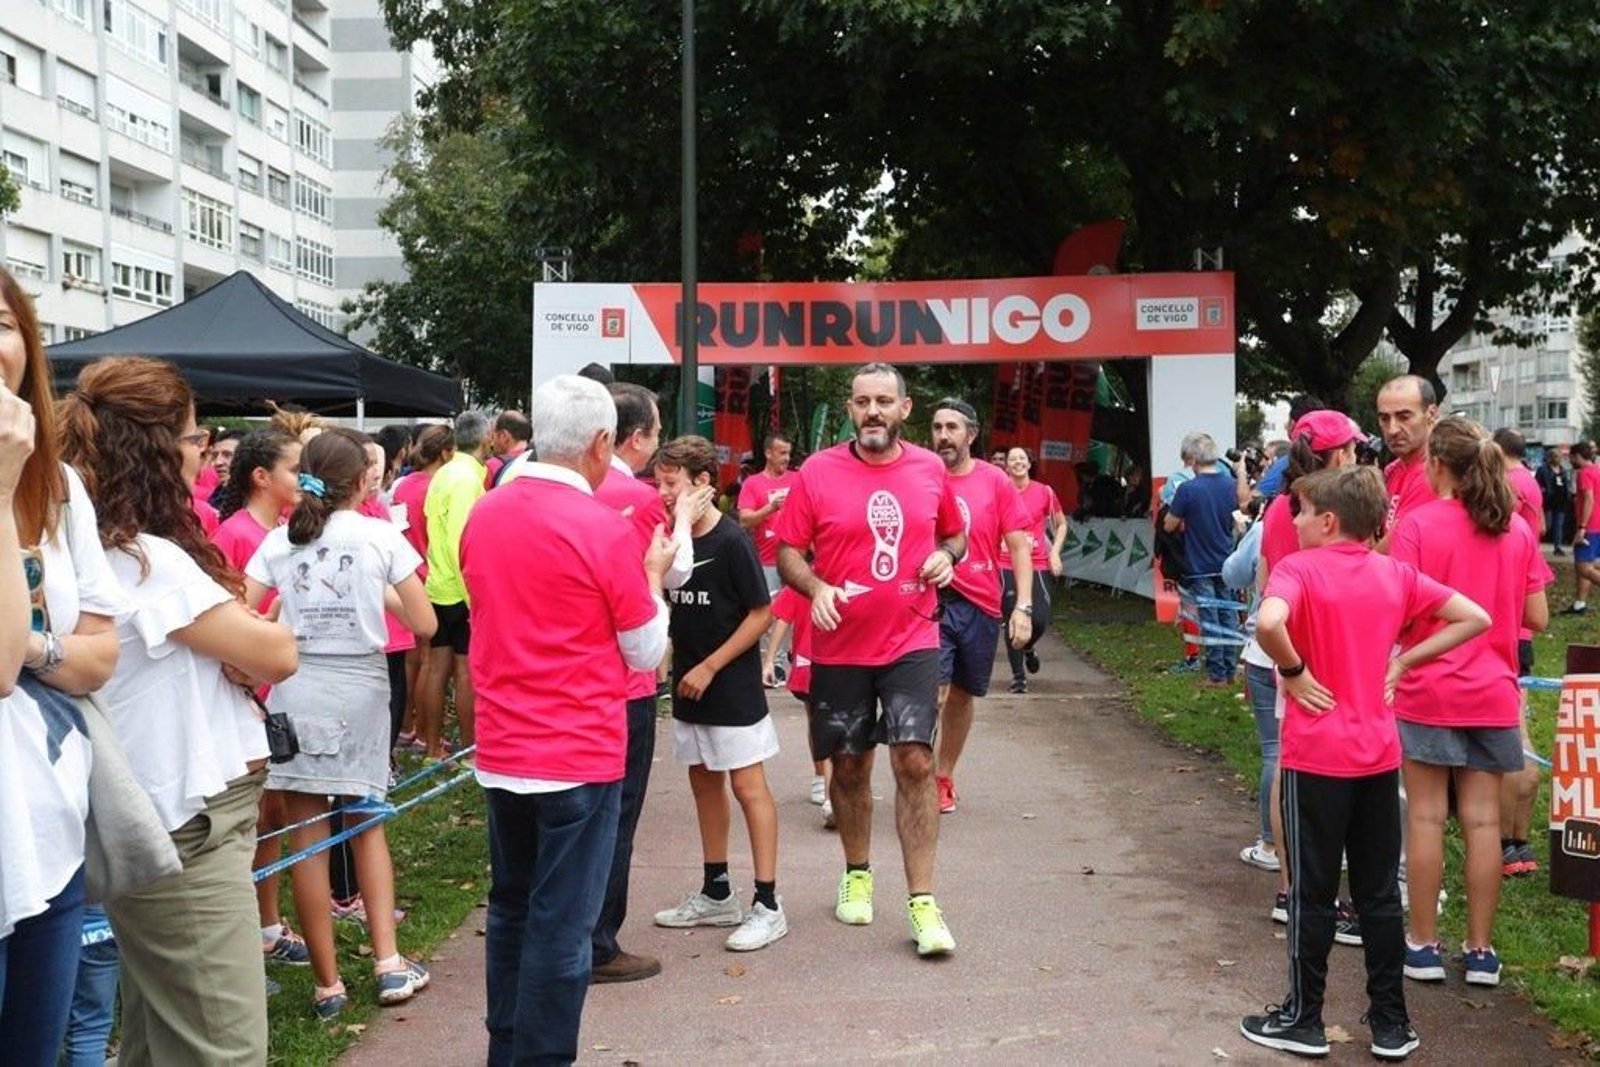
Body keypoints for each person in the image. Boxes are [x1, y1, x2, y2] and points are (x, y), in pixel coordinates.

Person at [57, 356, 299, 1066]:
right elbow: (276, 652)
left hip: (171, 820)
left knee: (161, 1039)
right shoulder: (145, 560)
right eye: (196, 439)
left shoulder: (108, 550)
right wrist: (250, 632)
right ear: (160, 449)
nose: (205, 454)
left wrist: (241, 634)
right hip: (187, 828)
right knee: (221, 1049)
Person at [1239, 465, 1489, 1061]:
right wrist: (1403, 663)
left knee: (1312, 894)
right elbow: (1476, 617)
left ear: (1328, 521)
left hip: (1315, 756)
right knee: (1378, 894)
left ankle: (1303, 1018)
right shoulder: (1396, 573)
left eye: (1300, 512)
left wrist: (1294, 672)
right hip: (1379, 755)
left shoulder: (1300, 567)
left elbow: (1269, 621)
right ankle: (1390, 1024)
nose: (1292, 521)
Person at [460, 374, 674, 1065]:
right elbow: (645, 649)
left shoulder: (484, 515)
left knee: (512, 907)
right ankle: (543, 1056)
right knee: (561, 924)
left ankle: (508, 1048)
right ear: (601, 443)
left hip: (503, 745)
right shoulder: (601, 529)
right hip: (579, 750)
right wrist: (652, 578)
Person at [774, 362, 967, 957]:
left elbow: (954, 534)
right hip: (840, 643)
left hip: (911, 638)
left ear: (905, 410)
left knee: (914, 760)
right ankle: (857, 871)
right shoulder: (818, 472)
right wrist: (816, 588)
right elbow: (787, 550)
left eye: (885, 400)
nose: (873, 411)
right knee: (850, 767)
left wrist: (946, 557)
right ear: (851, 408)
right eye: (863, 401)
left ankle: (924, 902)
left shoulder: (930, 467)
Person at [244, 428, 437, 1018]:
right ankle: (387, 963)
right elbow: (426, 623)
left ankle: (328, 985)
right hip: (358, 687)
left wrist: (287, 611)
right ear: (361, 482)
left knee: (305, 838)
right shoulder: (380, 536)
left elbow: (245, 609)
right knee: (365, 822)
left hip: (296, 686)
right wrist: (373, 594)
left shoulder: (280, 540)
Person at [0, 268, 125, 1067]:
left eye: (3, 322)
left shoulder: (61, 487)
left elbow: (101, 652)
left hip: (44, 840)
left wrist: (47, 648)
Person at [1389, 417, 1550, 990]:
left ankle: (1423, 945)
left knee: (1427, 815)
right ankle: (1480, 951)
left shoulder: (1416, 525)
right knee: (1484, 821)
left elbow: (1398, 608)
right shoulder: (1517, 531)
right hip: (1493, 689)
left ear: (1436, 463)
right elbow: (1538, 618)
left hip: (1427, 687)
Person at [650, 436, 788, 950]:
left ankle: (769, 902)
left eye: (672, 484)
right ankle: (716, 892)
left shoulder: (731, 542)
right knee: (703, 781)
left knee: (748, 787)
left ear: (703, 483)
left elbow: (761, 612)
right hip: (687, 684)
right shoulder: (672, 538)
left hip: (728, 686)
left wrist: (710, 666)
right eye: (659, 483)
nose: (663, 493)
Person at [588, 382, 701, 984]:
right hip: (624, 679)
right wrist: (682, 515)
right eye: (655, 434)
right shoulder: (634, 498)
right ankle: (598, 941)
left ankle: (551, 930)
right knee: (614, 818)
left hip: (548, 678)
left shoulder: (519, 486)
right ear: (633, 439)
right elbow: (671, 572)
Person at [1235, 411, 1363, 915]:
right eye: (1351, 448)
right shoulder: (1340, 512)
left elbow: (1264, 583)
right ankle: (1322, 891)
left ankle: (1291, 887)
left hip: (1273, 652)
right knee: (1341, 777)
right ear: (1337, 454)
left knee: (1285, 767)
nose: (1356, 456)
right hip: (1326, 657)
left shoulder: (1276, 510)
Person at [207, 427, 311, 969]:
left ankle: (268, 922)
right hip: (248, 695)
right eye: (297, 468)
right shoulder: (235, 536)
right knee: (251, 818)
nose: (305, 478)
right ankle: (248, 929)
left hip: (281, 690)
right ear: (263, 477)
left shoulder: (293, 531)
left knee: (273, 815)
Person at [930, 400, 1032, 814]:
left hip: (981, 602)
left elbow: (1019, 544)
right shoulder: (920, 474)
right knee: (930, 692)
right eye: (937, 427)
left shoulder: (995, 480)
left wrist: (1022, 606)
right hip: (931, 600)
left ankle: (943, 774)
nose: (943, 436)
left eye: (952, 427)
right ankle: (916, 772)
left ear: (970, 434)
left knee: (960, 696)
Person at [419, 410, 490, 758]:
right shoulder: (465, 478)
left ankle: (432, 746)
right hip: (456, 588)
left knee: (435, 665)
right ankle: (470, 749)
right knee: (464, 670)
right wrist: (472, 594)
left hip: (437, 584)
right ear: (487, 437)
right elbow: (460, 540)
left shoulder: (447, 472)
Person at [1494, 428, 1547, 877]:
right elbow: (1540, 612)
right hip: (1519, 638)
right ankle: (1517, 842)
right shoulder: (1520, 528)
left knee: (1510, 744)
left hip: (1497, 640)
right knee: (1517, 737)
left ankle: (1507, 844)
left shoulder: (1492, 525)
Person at [389, 425, 452, 748]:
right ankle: (430, 736)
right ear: (445, 453)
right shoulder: (438, 487)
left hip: (402, 577)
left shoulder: (401, 485)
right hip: (429, 577)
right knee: (430, 661)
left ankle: (405, 724)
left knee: (410, 660)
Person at [1163, 433, 1244, 686]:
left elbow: (1169, 525)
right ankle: (1230, 669)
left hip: (1199, 564)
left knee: (1209, 618)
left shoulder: (1187, 489)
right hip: (1226, 561)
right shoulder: (1230, 485)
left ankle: (1216, 674)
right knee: (1228, 614)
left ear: (1193, 459)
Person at [1001, 446, 1065, 693]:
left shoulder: (1044, 492)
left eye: (1022, 458)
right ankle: (1019, 677)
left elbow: (1061, 524)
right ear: (1006, 465)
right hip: (1004, 562)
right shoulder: (999, 491)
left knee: (1038, 619)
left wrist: (1055, 552)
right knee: (1011, 618)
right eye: (1012, 459)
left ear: (1029, 463)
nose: (1017, 462)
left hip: (1037, 561)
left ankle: (1028, 647)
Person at [1376, 375, 1440, 544]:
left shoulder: (1437, 475)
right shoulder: (1392, 469)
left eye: (1404, 417)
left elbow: (1395, 545)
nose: (1392, 429)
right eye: (1384, 418)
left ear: (1431, 414)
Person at [1256, 395, 1326, 498]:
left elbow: (1248, 504)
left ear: (1293, 424)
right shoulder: (1330, 459)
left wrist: (1241, 473)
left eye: (1287, 421)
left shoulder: (1286, 463)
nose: (1285, 426)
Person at [1570, 441, 1600, 614]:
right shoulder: (1598, 470)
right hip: (1597, 525)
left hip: (1589, 526)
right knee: (1584, 564)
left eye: (1572, 457)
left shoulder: (1585, 473)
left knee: (1584, 568)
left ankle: (1579, 603)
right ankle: (1579, 604)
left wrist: (1582, 526)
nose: (1571, 461)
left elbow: (1589, 499)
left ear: (1578, 456)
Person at [483, 410, 533, 489]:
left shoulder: (492, 466)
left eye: (493, 436)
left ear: (504, 436)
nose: (492, 443)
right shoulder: (539, 461)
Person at [1537, 446, 1571, 554]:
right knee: (1547, 524)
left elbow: (1567, 484)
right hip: (1548, 500)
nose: (1559, 458)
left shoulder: (1563, 469)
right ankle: (1536, 544)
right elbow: (1537, 484)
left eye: (1560, 456)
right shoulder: (1543, 469)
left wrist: (1568, 495)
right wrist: (1542, 492)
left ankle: (1558, 547)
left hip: (1561, 500)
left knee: (1559, 525)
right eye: (1557, 456)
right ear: (1551, 457)